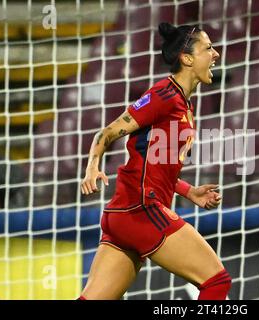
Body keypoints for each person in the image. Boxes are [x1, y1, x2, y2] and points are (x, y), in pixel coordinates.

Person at [78, 22, 231, 300]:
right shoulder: (163, 96)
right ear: (186, 58)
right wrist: (92, 168)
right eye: (208, 48)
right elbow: (107, 132)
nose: (216, 53)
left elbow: (157, 164)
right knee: (216, 281)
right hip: (141, 210)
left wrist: (188, 191)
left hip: (123, 214)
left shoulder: (185, 105)